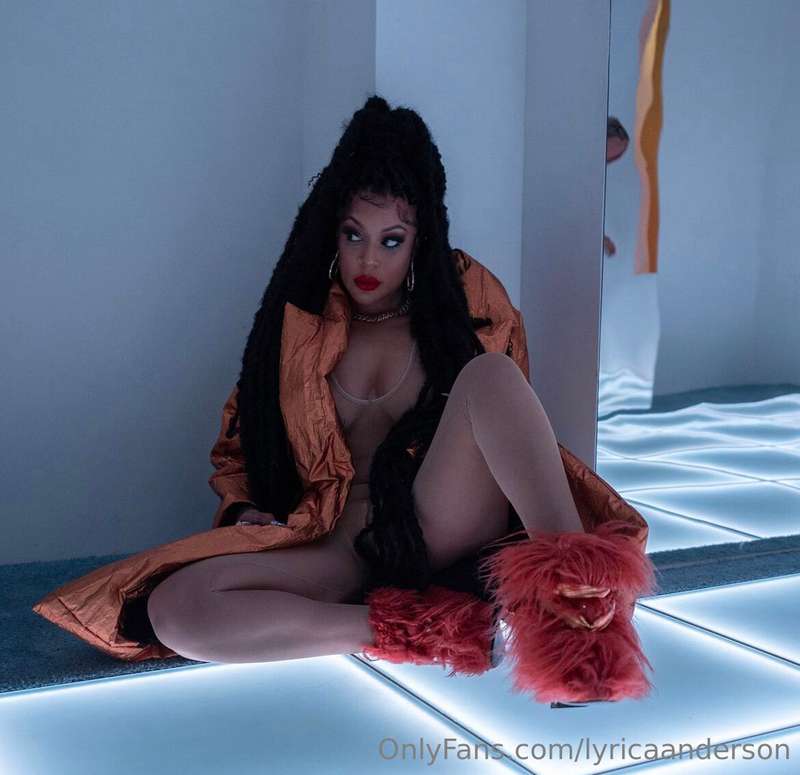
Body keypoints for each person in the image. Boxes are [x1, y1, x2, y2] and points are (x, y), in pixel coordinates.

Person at [32, 95, 657, 704]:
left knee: (491, 375)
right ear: (331, 228)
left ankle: (577, 614)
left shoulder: (466, 297)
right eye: (354, 234)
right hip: (337, 540)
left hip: (436, 516)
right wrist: (245, 507)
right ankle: (426, 629)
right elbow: (242, 441)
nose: (367, 259)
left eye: (392, 240)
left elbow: (509, 421)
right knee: (176, 610)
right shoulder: (297, 323)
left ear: (421, 238)